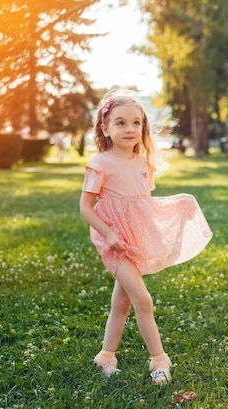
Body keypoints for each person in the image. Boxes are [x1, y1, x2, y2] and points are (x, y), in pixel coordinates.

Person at [79, 89, 212, 384]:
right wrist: (109, 233)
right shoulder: (100, 164)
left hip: (135, 241)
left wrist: (179, 204)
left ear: (143, 127)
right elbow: (86, 208)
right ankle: (159, 360)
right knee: (143, 299)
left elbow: (142, 204)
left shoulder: (142, 163)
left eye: (136, 123)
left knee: (122, 303)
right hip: (114, 244)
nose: (129, 129)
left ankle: (106, 355)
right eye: (121, 123)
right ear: (105, 128)